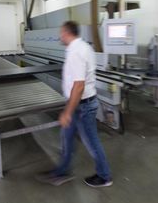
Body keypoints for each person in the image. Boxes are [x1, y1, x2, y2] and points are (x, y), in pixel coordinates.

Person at [37, 21, 112, 188]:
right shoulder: (84, 47)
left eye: (61, 33)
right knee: (67, 137)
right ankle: (62, 171)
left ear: (66, 32)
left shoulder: (75, 52)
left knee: (91, 142)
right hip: (79, 104)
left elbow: (79, 86)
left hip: (81, 106)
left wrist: (67, 112)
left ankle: (104, 176)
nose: (59, 36)